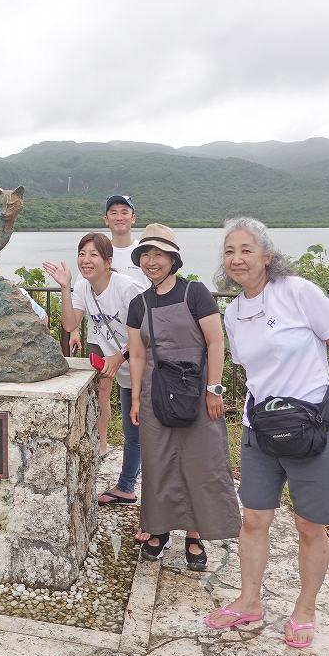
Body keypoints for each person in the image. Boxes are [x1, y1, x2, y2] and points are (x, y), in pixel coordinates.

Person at [205, 218, 329, 649]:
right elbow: (251, 369)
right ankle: (249, 601)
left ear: (267, 256)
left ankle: (305, 609)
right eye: (229, 251)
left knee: (310, 525)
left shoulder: (296, 292)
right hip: (260, 428)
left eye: (246, 249)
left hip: (311, 427)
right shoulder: (234, 312)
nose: (237, 258)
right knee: (255, 518)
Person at [127, 224, 240, 570]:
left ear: (173, 259)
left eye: (158, 254)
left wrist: (214, 388)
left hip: (197, 389)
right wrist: (134, 400)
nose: (151, 261)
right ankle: (159, 530)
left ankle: (195, 533)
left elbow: (215, 341)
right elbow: (138, 355)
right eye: (146, 254)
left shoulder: (196, 293)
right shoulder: (138, 303)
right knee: (159, 463)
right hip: (155, 391)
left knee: (200, 461)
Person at [43, 233, 145, 505]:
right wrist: (65, 288)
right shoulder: (83, 286)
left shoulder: (127, 288)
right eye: (82, 254)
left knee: (145, 433)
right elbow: (69, 323)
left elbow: (150, 332)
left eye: (94, 255)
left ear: (108, 261)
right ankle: (127, 486)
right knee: (133, 432)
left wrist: (120, 356)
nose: (86, 260)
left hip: (148, 370)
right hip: (126, 374)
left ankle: (130, 486)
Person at [69, 195, 149, 460]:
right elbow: (78, 306)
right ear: (106, 218)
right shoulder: (94, 257)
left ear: (133, 217)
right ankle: (103, 444)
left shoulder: (142, 254)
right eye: (113, 212)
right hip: (102, 334)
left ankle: (139, 460)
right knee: (103, 390)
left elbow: (148, 317)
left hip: (137, 340)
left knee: (138, 400)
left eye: (124, 211)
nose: (119, 216)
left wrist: (125, 352)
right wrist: (74, 330)